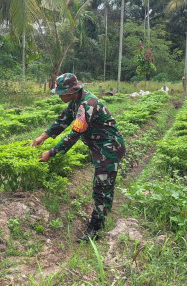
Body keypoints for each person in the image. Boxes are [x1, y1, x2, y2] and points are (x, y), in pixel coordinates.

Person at [32, 73, 126, 241]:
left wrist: (51, 153)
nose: (59, 96)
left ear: (70, 91)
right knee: (103, 183)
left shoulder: (87, 105)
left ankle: (95, 229)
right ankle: (104, 215)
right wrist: (42, 137)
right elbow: (62, 120)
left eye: (61, 92)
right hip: (99, 147)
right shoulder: (76, 102)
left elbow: (73, 135)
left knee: (102, 186)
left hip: (109, 147)